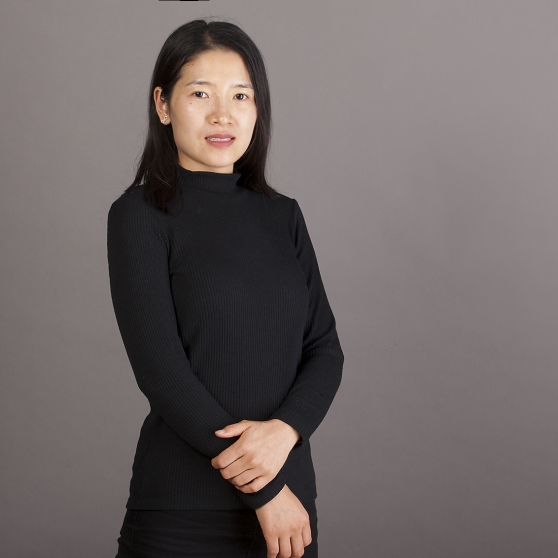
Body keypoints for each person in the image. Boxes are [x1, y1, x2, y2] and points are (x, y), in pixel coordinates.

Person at [107, 18, 344, 558]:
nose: (223, 113)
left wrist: (285, 431)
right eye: (200, 94)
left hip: (289, 514)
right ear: (163, 105)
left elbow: (325, 350)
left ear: (257, 109)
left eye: (241, 95)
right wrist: (265, 490)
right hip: (184, 514)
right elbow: (162, 372)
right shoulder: (139, 215)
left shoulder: (283, 216)